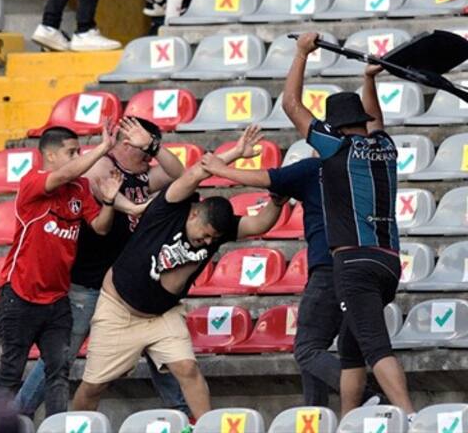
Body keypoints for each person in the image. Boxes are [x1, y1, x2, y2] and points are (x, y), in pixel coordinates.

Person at [72, 147, 287, 419]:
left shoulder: (217, 228)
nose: (209, 242)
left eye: (213, 239)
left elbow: (258, 225)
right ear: (195, 214)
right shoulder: (169, 208)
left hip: (163, 315)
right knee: (93, 386)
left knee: (188, 369)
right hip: (118, 311)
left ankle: (206, 427)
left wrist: (277, 202)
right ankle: (76, 425)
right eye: (206, 235)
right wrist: (234, 153)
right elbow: (197, 171)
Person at [284, 32, 414, 418]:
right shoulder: (385, 147)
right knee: (352, 351)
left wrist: (301, 53)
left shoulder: (335, 148)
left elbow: (292, 105)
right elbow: (377, 122)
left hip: (353, 263)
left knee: (374, 346)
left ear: (336, 128)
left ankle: (411, 417)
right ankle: (349, 420)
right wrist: (369, 79)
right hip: (389, 263)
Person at [201, 153, 382, 407]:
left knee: (306, 349)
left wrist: (222, 169)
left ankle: (368, 398)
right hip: (365, 268)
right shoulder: (362, 168)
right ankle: (316, 416)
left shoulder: (314, 168)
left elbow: (265, 178)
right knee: (317, 348)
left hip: (329, 268)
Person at [0, 124, 124, 417]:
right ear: (49, 155)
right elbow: (63, 174)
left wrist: (110, 201)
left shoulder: (80, 188)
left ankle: (55, 426)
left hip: (57, 299)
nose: (77, 156)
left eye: (78, 151)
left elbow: (100, 227)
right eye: (71, 151)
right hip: (20, 294)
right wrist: (102, 148)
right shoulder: (32, 182)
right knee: (11, 371)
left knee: (59, 371)